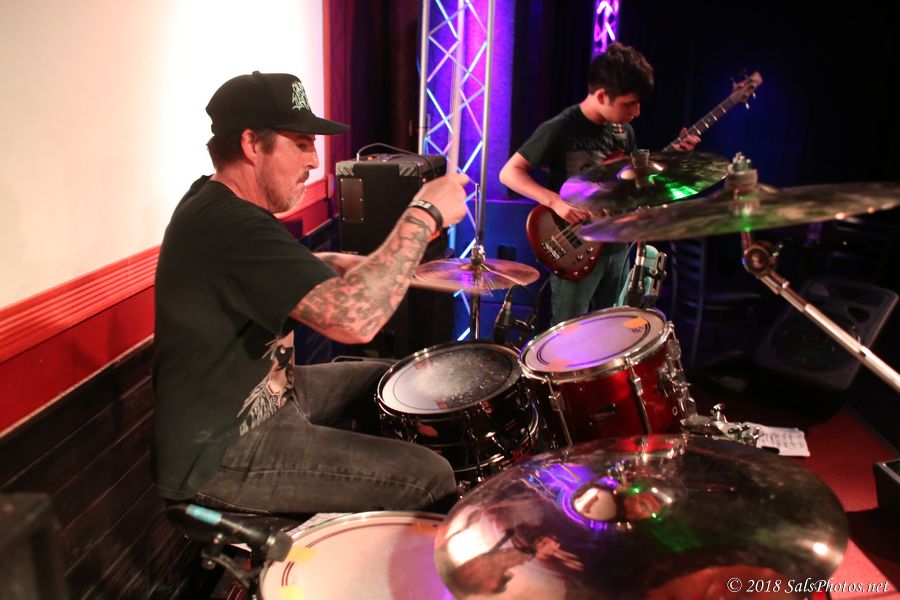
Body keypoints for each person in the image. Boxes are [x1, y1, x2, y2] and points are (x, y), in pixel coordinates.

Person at [152, 71, 470, 515]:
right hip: (222, 452)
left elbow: (248, 273)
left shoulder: (218, 205)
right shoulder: (231, 224)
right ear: (251, 144)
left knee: (392, 381)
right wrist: (425, 213)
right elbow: (356, 322)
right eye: (301, 143)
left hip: (270, 396)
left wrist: (326, 262)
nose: (315, 160)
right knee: (430, 476)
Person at [499, 43, 700, 325]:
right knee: (569, 336)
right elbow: (509, 173)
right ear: (603, 95)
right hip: (575, 248)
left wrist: (671, 159)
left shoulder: (624, 132)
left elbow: (630, 185)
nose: (637, 111)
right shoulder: (561, 128)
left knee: (609, 330)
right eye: (629, 104)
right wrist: (555, 202)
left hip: (617, 248)